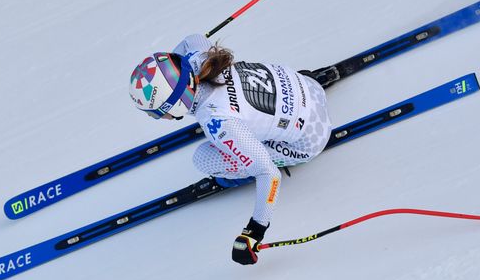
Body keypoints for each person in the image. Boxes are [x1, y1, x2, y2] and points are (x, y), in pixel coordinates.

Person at [128, 34, 332, 265]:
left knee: (204, 158)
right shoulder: (198, 57)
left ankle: (231, 178)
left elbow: (269, 174)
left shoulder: (218, 120)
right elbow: (192, 38)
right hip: (308, 86)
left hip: (309, 140)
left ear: (175, 104)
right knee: (244, 121)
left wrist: (254, 231)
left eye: (156, 112)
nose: (158, 117)